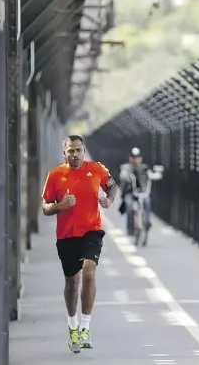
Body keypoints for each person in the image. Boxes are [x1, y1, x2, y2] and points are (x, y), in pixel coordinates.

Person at [41, 135, 117, 354]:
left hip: (92, 231)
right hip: (66, 235)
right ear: (64, 152)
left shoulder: (97, 170)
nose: (74, 154)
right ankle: (73, 326)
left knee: (89, 271)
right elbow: (45, 206)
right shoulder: (55, 175)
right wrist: (59, 206)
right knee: (72, 282)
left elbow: (112, 187)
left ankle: (85, 326)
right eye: (70, 151)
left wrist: (108, 200)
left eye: (78, 150)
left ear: (84, 151)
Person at [118, 147, 162, 241]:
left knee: (147, 201)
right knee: (129, 207)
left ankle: (147, 222)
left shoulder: (144, 168)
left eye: (137, 157)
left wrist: (157, 175)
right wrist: (126, 177)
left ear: (140, 158)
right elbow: (123, 174)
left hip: (142, 192)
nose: (135, 159)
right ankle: (130, 229)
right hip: (130, 192)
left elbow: (151, 174)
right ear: (130, 158)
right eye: (133, 157)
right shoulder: (127, 167)